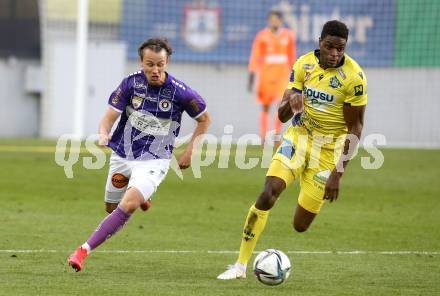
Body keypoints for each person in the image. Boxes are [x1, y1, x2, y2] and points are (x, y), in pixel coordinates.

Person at [217, 20, 367, 280]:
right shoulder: (303, 65)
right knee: (267, 194)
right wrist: (292, 104)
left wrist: (337, 174)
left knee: (300, 226)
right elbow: (283, 114)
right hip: (298, 139)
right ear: (319, 41)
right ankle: (240, 265)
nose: (334, 53)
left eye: (340, 48)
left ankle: (312, 187)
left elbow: (355, 128)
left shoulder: (354, 78)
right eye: (329, 46)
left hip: (328, 153)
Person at [68, 38, 211, 272]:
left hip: (156, 159)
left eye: (160, 64)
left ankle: (82, 251)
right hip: (123, 155)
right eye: (150, 64)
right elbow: (108, 118)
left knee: (129, 204)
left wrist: (190, 150)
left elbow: (205, 119)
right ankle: (142, 194)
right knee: (110, 208)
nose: (155, 70)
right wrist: (104, 134)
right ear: (141, 62)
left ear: (167, 62)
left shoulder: (180, 92)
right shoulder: (130, 84)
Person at [248, 10, 296, 143]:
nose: (274, 22)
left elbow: (292, 56)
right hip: (266, 76)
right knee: (265, 106)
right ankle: (263, 136)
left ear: (281, 21)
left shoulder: (288, 36)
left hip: (281, 76)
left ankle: (276, 135)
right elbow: (255, 55)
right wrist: (251, 74)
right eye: (271, 20)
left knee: (281, 105)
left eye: (276, 20)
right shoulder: (262, 36)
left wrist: (296, 74)